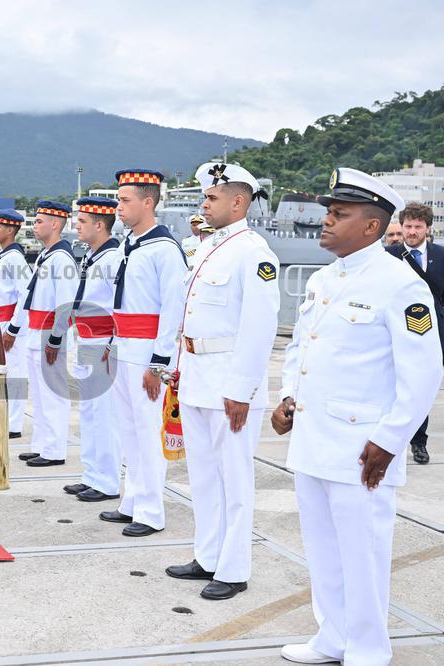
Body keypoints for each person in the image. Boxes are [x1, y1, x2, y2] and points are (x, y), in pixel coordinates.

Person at [273, 168, 442, 665]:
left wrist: (390, 440)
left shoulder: (400, 284)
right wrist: (287, 397)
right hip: (313, 439)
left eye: (339, 215)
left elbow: (424, 373)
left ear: (372, 227)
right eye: (328, 212)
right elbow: (302, 346)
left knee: (363, 554)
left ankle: (368, 650)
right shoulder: (326, 277)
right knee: (323, 549)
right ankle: (333, 638)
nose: (325, 222)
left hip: (362, 447)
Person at [165, 162, 279, 600]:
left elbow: (259, 326)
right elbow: (190, 317)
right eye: (204, 196)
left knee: (234, 478)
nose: (203, 204)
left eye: (211, 198)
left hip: (229, 384)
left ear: (238, 201)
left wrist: (243, 389)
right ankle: (207, 555)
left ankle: (233, 569)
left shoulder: (254, 252)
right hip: (196, 377)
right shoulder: (210, 248)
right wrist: (177, 369)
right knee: (204, 475)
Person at [96, 171, 187, 537]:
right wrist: (110, 344)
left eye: (125, 200)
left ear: (148, 202)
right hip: (123, 349)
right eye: (119, 200)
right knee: (129, 430)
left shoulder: (164, 250)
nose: (118, 207)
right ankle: (131, 500)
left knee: (148, 433)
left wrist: (160, 362)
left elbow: (173, 309)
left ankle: (151, 511)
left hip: (147, 352)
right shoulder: (125, 247)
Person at [4, 200, 78, 467]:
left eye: (39, 221)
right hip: (35, 334)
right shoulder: (46, 255)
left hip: (48, 337)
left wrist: (56, 339)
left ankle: (55, 450)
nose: (34, 226)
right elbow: (30, 297)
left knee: (53, 396)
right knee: (40, 396)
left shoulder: (62, 259)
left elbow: (66, 305)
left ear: (55, 224)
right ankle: (42, 444)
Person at [64, 196, 121, 503]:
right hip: (86, 340)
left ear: (100, 225)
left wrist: (112, 345)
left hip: (102, 344)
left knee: (105, 415)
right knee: (88, 412)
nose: (77, 226)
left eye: (82, 221)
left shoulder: (113, 258)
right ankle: (92, 474)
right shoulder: (91, 257)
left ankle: (108, 481)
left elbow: (119, 307)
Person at [386, 201, 444, 465]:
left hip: (432, 329)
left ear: (428, 228)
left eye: (417, 227)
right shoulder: (388, 255)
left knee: (422, 385)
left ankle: (419, 442)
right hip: (393, 329)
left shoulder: (441, 256)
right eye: (407, 226)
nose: (411, 231)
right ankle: (390, 439)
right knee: (392, 385)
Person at [0, 209, 30, 438]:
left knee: (15, 374)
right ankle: (4, 418)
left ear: (11, 230)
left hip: (10, 323)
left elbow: (24, 295)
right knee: (2, 373)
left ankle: (14, 424)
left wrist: (13, 329)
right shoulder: (6, 256)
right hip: (0, 320)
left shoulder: (15, 259)